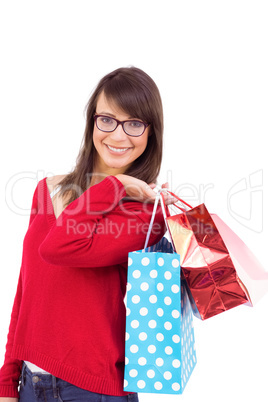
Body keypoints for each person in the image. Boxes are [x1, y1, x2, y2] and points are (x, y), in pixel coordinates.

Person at [0, 66, 176, 402]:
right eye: (107, 119)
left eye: (135, 123)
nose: (118, 135)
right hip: (29, 386)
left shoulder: (144, 215)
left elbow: (59, 247)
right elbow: (27, 292)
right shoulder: (46, 190)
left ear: (151, 132)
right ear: (92, 122)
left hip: (93, 390)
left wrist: (116, 184)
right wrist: (7, 381)